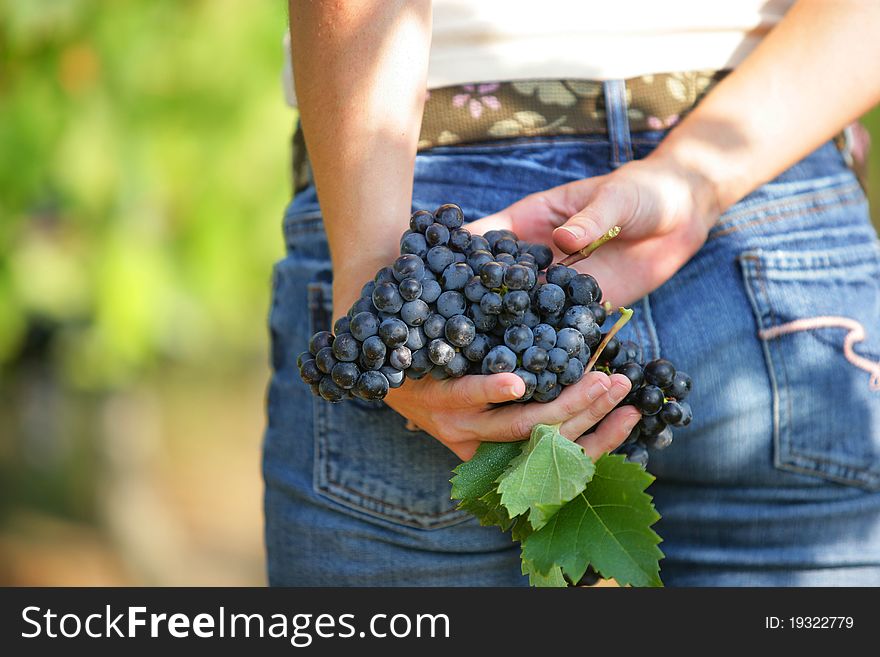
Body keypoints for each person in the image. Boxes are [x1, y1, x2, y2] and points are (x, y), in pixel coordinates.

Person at [264, 0, 880, 586]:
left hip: (408, 186)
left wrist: (376, 277)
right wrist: (693, 181)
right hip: (769, 189)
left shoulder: (412, 278)